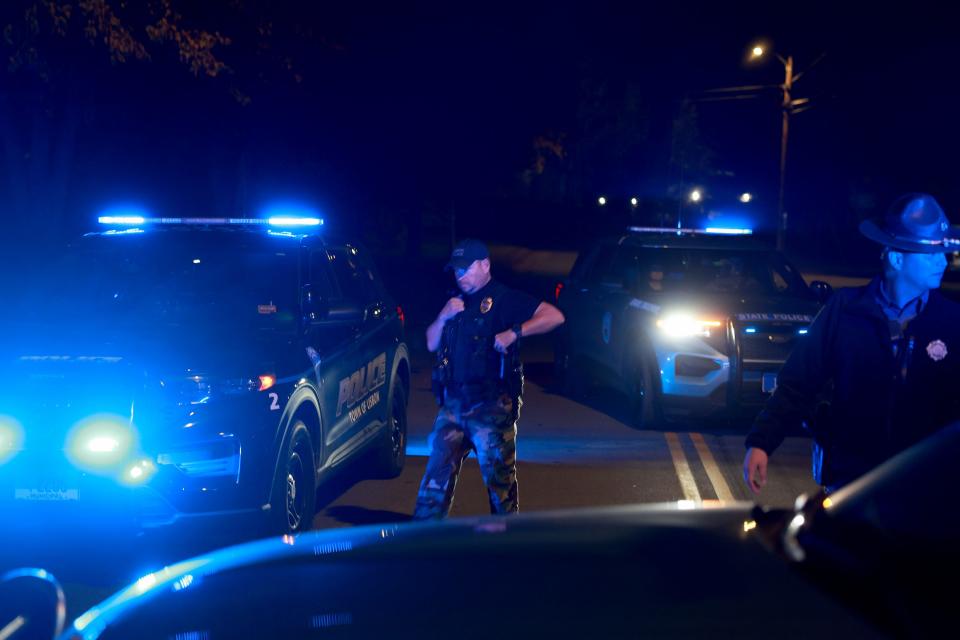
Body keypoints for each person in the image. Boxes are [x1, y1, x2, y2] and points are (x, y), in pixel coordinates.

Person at [744, 193, 960, 494]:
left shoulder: (951, 320)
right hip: (850, 480)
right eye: (931, 253)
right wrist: (761, 443)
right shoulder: (844, 310)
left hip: (923, 487)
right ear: (897, 258)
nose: (943, 261)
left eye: (943, 252)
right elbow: (798, 383)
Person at [413, 239, 565, 519]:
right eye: (456, 271)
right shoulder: (454, 302)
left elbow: (553, 316)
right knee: (435, 480)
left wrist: (515, 332)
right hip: (454, 407)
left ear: (485, 265)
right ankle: (423, 541)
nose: (460, 276)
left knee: (500, 484)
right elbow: (432, 343)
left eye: (466, 269)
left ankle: (504, 543)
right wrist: (443, 316)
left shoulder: (504, 298)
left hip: (491, 406)